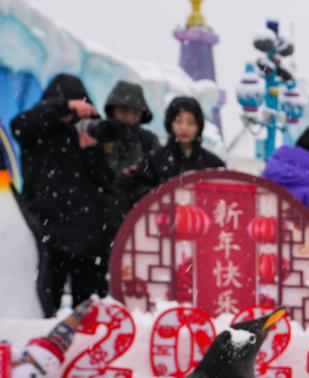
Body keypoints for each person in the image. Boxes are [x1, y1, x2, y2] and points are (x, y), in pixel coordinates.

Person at [10, 74, 114, 314]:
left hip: (87, 237)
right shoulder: (37, 131)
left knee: (89, 313)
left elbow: (107, 181)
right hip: (47, 232)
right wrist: (63, 108)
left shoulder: (88, 136)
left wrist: (91, 150)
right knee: (42, 306)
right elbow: (19, 126)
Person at [97, 81, 161, 233]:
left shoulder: (149, 141)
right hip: (102, 214)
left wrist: (139, 173)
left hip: (139, 214)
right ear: (113, 110)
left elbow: (156, 171)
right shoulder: (100, 135)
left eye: (135, 113)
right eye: (124, 111)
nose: (130, 118)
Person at [148, 96, 224, 183]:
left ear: (199, 126)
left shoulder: (213, 164)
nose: (184, 128)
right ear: (170, 124)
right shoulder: (154, 161)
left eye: (190, 122)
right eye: (178, 121)